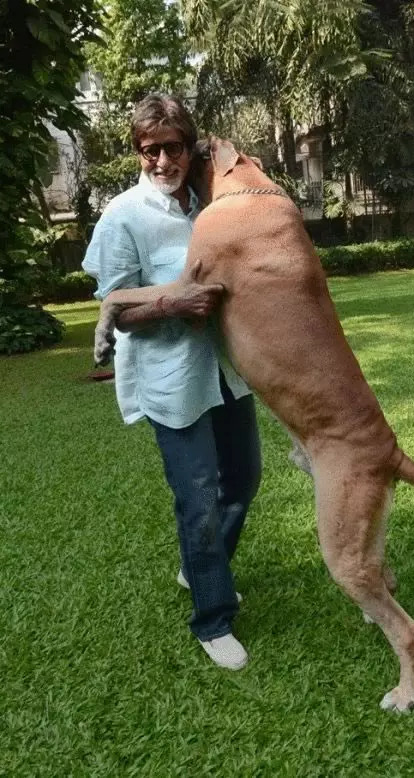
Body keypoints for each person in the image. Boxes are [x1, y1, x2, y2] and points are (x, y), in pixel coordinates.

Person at [82, 94, 261, 671]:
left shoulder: (211, 206)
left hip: (228, 372)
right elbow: (116, 308)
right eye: (148, 151)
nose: (160, 162)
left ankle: (198, 567)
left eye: (171, 148)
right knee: (200, 499)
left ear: (190, 147)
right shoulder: (123, 217)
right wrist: (168, 302)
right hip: (172, 380)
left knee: (244, 481)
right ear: (137, 153)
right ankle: (213, 618)